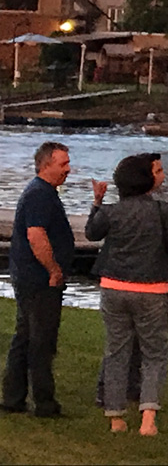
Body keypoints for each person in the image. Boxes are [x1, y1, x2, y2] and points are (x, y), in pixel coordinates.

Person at [85, 153, 168, 437]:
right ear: (145, 178)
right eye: (159, 170)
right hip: (152, 289)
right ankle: (148, 418)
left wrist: (97, 202)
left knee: (116, 351)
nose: (162, 175)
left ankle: (115, 417)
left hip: (114, 287)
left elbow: (92, 233)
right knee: (154, 354)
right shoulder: (161, 211)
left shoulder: (113, 212)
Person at [3, 141, 75, 418]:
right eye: (63, 164)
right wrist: (54, 269)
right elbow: (36, 235)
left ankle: (13, 396)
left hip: (28, 276)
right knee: (42, 341)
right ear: (46, 164)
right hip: (39, 279)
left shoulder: (44, 193)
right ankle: (44, 402)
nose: (68, 169)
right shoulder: (40, 195)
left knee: (24, 337)